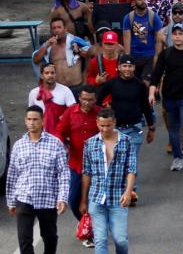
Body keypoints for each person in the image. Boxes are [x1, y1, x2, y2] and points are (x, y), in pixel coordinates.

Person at [6, 105, 69, 254]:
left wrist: (62, 198)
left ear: (43, 121)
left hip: (47, 199)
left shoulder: (55, 144)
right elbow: (12, 174)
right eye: (29, 119)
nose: (32, 123)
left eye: (35, 119)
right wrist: (10, 200)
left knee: (50, 237)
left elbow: (63, 173)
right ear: (25, 121)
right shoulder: (18, 146)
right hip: (24, 198)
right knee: (24, 239)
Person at [95, 56, 155, 202]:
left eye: (130, 66)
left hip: (134, 129)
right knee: (116, 159)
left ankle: (131, 191)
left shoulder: (140, 86)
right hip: (116, 130)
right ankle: (119, 189)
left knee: (131, 160)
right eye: (124, 66)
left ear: (134, 68)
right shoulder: (111, 84)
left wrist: (151, 127)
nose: (127, 69)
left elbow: (146, 107)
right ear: (119, 68)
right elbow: (97, 100)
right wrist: (104, 112)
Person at [149, 24, 183, 173]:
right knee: (173, 129)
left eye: (181, 33)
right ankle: (177, 158)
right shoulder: (166, 54)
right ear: (171, 36)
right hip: (169, 97)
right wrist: (151, 92)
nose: (178, 36)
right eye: (175, 34)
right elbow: (156, 74)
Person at [80, 108, 136, 254]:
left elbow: (131, 169)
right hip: (96, 198)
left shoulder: (126, 141)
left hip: (118, 198)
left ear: (114, 123)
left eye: (108, 125)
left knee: (121, 240)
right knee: (100, 240)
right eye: (102, 125)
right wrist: (83, 200)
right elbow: (86, 173)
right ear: (97, 123)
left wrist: (128, 192)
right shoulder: (90, 143)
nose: (105, 129)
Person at [55, 85, 100, 242]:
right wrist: (61, 145)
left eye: (90, 100)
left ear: (95, 100)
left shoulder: (100, 114)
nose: (87, 103)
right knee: (74, 199)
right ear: (79, 98)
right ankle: (84, 224)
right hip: (75, 164)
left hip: (96, 166)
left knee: (94, 201)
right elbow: (59, 131)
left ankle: (93, 229)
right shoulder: (70, 113)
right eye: (84, 99)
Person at [34, 18, 92, 88]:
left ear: (65, 29)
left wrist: (78, 51)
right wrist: (46, 45)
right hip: (58, 88)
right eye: (54, 28)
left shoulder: (75, 41)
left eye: (59, 27)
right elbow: (36, 60)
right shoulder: (48, 46)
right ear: (51, 31)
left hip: (77, 86)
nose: (56, 30)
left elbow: (91, 56)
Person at [28, 62, 78, 135]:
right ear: (42, 76)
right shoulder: (34, 92)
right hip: (40, 133)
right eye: (47, 73)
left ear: (56, 75)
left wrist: (64, 117)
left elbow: (73, 111)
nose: (50, 75)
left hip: (60, 133)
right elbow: (30, 114)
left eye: (52, 73)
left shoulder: (65, 90)